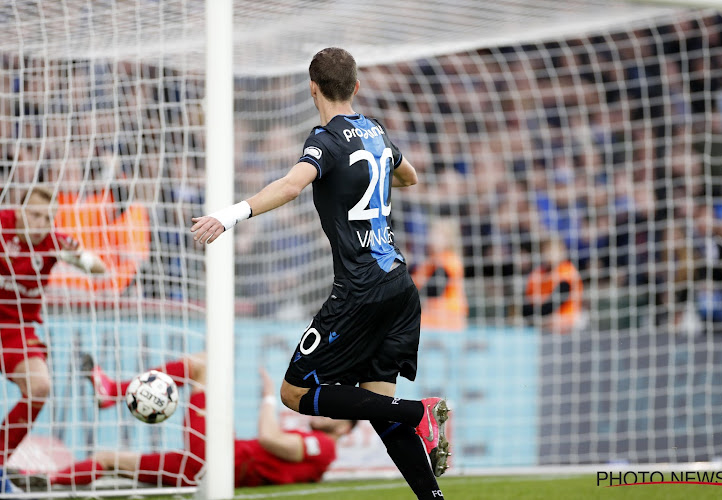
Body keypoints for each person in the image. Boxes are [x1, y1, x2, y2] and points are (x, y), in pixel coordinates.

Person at [191, 47, 450, 499]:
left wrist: (231, 214)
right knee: (379, 408)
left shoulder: (325, 140)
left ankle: (418, 412)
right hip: (398, 285)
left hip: (359, 289)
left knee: (294, 393)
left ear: (312, 88)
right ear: (355, 87)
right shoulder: (376, 131)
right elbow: (409, 176)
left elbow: (293, 184)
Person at [11, 353, 355, 489]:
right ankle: (45, 482)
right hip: (199, 469)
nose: (323, 412)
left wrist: (268, 394)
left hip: (217, 459)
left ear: (344, 427)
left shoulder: (324, 447)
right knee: (107, 459)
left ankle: (113, 390)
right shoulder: (317, 451)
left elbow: (268, 439)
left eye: (333, 414)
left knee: (203, 365)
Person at [0, 186, 106, 492]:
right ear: (19, 211)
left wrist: (79, 258)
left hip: (18, 330)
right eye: (34, 214)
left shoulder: (53, 242)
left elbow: (100, 269)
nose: (39, 222)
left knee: (40, 387)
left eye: (47, 217)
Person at [410, 219, 468, 331]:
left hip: (447, 319)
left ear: (448, 239)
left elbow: (433, 291)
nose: (432, 237)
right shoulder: (430, 261)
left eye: (437, 234)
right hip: (431, 319)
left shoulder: (449, 261)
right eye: (432, 232)